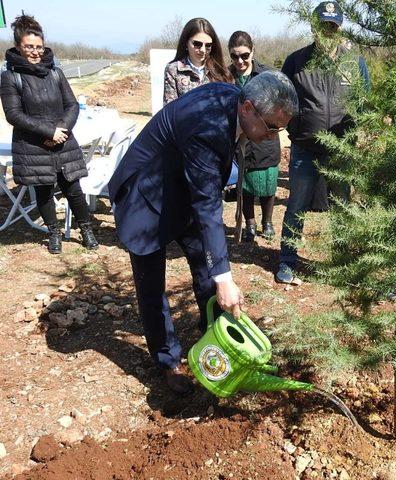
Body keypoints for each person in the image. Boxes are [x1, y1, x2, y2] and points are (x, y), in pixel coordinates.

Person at [108, 71, 297, 394]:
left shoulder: (232, 99)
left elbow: (204, 196)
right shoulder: (206, 127)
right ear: (248, 108)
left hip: (185, 191)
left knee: (206, 268)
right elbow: (208, 205)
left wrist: (218, 275)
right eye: (271, 127)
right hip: (146, 197)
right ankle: (167, 361)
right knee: (152, 287)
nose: (274, 136)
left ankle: (217, 342)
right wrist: (225, 279)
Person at [276, 1, 370, 284]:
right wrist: (296, 129)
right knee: (296, 206)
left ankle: (342, 262)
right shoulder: (296, 61)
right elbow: (283, 101)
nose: (328, 31)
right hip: (305, 149)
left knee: (342, 208)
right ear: (314, 27)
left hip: (341, 151)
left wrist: (355, 135)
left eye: (333, 26)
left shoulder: (354, 64)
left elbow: (364, 104)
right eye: (323, 26)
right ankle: (287, 261)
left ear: (340, 29)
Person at [0, 14, 98, 254]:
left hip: (62, 140)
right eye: (29, 47)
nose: (35, 52)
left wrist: (61, 130)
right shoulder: (10, 77)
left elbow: (72, 105)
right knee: (43, 191)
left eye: (39, 47)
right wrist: (48, 131)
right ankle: (53, 232)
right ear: (18, 46)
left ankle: (86, 229)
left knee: (73, 189)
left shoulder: (55, 73)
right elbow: (14, 114)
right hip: (34, 145)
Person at [228, 31, 281, 241]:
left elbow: (279, 107)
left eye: (244, 55)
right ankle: (250, 223)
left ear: (253, 51)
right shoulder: (226, 76)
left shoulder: (268, 75)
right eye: (234, 56)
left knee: (268, 183)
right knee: (246, 185)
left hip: (265, 139)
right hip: (240, 141)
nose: (240, 61)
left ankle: (267, 221)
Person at [163, 17, 231, 105]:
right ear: (186, 43)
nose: (203, 50)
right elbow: (170, 110)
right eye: (197, 44)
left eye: (208, 45)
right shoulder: (173, 70)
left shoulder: (219, 71)